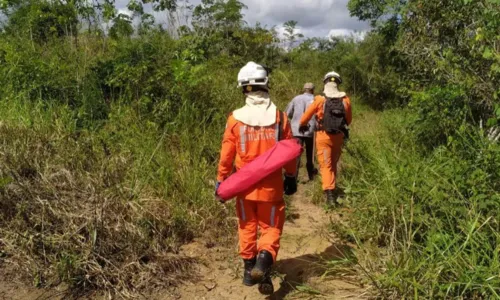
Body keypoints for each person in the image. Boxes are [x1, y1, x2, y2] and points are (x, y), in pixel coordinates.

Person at [215, 62, 298, 295]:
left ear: (244, 88)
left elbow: (226, 155)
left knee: (246, 226)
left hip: (243, 187)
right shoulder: (280, 118)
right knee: (270, 227)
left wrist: (222, 181)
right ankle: (263, 259)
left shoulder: (235, 119)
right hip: (271, 189)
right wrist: (291, 176)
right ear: (266, 85)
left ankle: (249, 269)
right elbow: (289, 151)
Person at [299, 71, 352, 206]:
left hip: (323, 136)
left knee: (325, 165)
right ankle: (332, 188)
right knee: (333, 163)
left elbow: (305, 117)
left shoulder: (320, 99)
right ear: (338, 83)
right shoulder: (345, 99)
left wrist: (303, 125)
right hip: (339, 136)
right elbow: (349, 120)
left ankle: (329, 194)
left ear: (325, 82)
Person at [285, 82, 318, 181]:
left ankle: (293, 177)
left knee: (296, 155)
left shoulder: (296, 98)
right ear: (312, 90)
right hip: (311, 130)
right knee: (310, 154)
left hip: (296, 130)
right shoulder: (316, 100)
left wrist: (295, 119)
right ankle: (311, 176)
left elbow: (288, 113)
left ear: (304, 89)